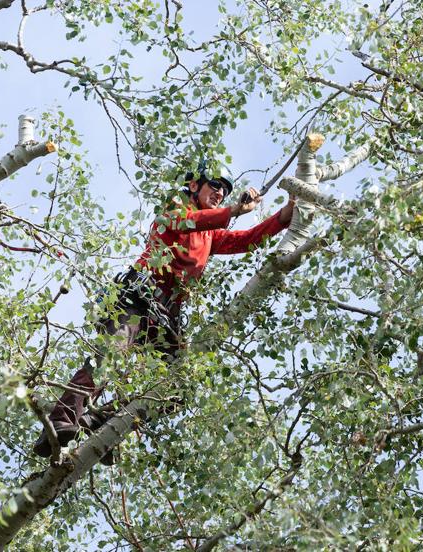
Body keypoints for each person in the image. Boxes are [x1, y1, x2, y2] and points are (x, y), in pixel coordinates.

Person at [33, 171, 295, 462]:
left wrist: (285, 215)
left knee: (179, 387)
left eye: (226, 191)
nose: (221, 193)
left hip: (165, 317)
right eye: (216, 186)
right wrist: (232, 211)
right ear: (194, 186)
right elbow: (188, 221)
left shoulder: (209, 235)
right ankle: (60, 421)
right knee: (110, 357)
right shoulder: (175, 210)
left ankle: (103, 423)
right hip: (136, 301)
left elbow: (248, 239)